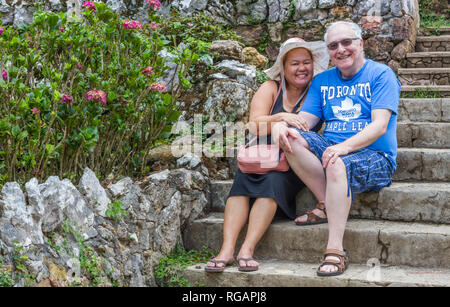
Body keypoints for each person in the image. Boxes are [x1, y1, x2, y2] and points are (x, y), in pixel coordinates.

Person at [273, 21, 401, 276]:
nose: (341, 50)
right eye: (333, 46)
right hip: (333, 148)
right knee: (293, 138)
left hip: (375, 156)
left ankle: (335, 250)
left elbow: (379, 126)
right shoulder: (322, 81)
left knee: (335, 160)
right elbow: (305, 123)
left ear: (360, 43)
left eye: (347, 42)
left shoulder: (381, 75)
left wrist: (342, 148)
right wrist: (282, 124)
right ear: (329, 52)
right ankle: (326, 200)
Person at [204, 37, 330, 272]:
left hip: (293, 159)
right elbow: (254, 125)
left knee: (272, 182)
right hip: (261, 153)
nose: (301, 68)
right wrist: (281, 117)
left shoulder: (318, 91)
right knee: (241, 184)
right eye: (294, 63)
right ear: (283, 67)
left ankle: (247, 249)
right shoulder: (271, 87)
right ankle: (226, 250)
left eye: (306, 62)